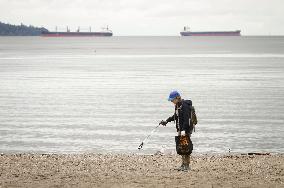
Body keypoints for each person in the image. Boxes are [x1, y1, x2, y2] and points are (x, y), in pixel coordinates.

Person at [159, 90, 194, 172]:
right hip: (180, 129)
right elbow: (175, 116)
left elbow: (187, 119)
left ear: (177, 98)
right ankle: (183, 164)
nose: (171, 101)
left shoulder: (184, 106)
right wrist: (167, 121)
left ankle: (187, 165)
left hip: (185, 130)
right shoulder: (178, 105)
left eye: (172, 99)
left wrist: (184, 131)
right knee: (182, 147)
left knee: (185, 147)